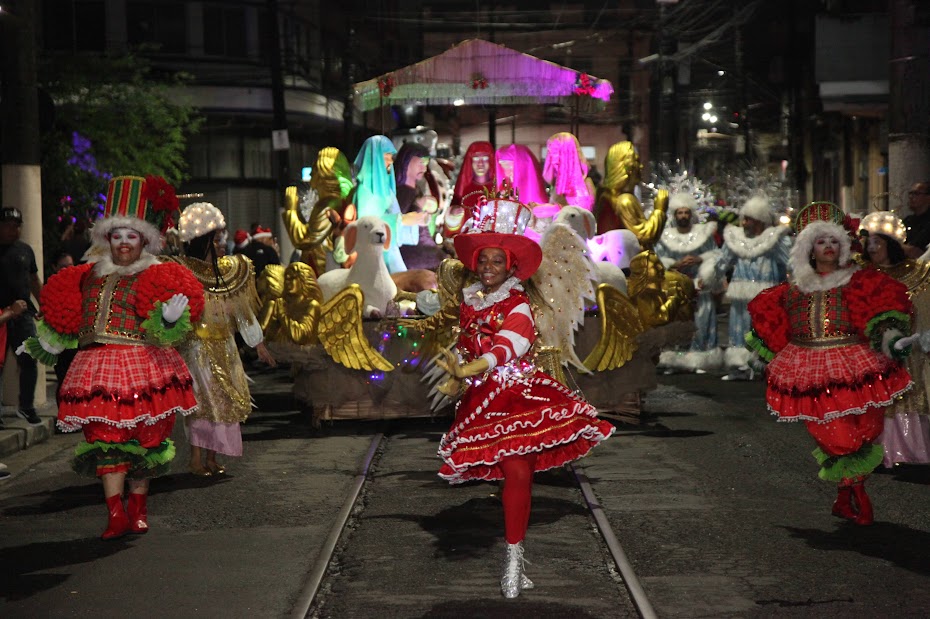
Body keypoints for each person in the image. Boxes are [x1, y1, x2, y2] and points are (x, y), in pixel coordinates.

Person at [434, 198, 614, 599]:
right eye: (483, 261)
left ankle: (513, 561)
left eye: (496, 262)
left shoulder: (518, 304)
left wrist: (470, 367)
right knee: (504, 477)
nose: (487, 268)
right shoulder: (470, 301)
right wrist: (457, 378)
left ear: (511, 267)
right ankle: (514, 552)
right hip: (480, 400)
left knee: (518, 474)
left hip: (519, 397)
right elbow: (467, 346)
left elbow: (510, 344)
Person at [23, 175, 205, 539]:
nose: (123, 243)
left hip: (144, 365)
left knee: (143, 439)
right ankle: (115, 514)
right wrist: (49, 341)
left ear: (144, 240)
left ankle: (137, 507)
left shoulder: (158, 273)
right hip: (96, 367)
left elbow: (172, 333)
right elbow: (70, 318)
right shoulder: (88, 275)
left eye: (131, 236)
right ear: (107, 240)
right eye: (117, 236)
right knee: (105, 440)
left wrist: (168, 319)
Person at [746, 201, 913, 526]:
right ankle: (856, 492)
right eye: (821, 241)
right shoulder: (793, 290)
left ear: (843, 245)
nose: (828, 247)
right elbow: (776, 328)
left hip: (858, 364)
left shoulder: (860, 281)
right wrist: (761, 354)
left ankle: (845, 492)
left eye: (834, 241)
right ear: (809, 248)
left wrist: (890, 337)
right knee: (838, 437)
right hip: (809, 368)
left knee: (867, 429)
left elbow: (877, 312)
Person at [172, 202, 276, 476]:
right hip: (196, 348)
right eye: (216, 239)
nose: (222, 244)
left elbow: (242, 312)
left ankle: (211, 457)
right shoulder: (182, 272)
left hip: (226, 348)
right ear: (202, 241)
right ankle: (195, 459)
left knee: (223, 402)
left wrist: (258, 343)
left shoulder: (229, 272)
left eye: (222, 239)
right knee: (201, 403)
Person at [859, 211, 930, 467]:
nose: (873, 247)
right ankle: (873, 451)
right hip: (870, 349)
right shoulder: (861, 274)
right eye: (870, 243)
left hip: (904, 350)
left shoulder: (912, 272)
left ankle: (903, 451)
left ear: (890, 244)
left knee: (905, 395)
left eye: (878, 242)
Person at [708, 196, 791, 380]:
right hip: (741, 295)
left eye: (748, 219)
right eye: (743, 218)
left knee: (766, 330)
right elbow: (723, 262)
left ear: (759, 221)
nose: (744, 223)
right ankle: (740, 366)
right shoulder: (735, 238)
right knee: (740, 328)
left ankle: (766, 366)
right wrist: (712, 277)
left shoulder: (775, 240)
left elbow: (790, 263)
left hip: (767, 296)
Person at [656, 192, 723, 373]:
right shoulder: (665, 236)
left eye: (686, 212)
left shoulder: (703, 234)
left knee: (701, 321)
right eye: (680, 212)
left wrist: (700, 260)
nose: (683, 216)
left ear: (691, 214)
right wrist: (675, 264)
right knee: (676, 322)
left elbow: (716, 255)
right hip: (675, 286)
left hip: (698, 285)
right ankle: (675, 360)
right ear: (674, 215)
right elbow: (657, 259)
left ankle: (699, 359)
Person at [0, 206, 43, 427]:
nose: (12, 229)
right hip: (1, 315)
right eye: (8, 225)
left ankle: (26, 406)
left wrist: (44, 303)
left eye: (16, 226)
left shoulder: (25, 250)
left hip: (23, 314)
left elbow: (34, 280)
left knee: (29, 360)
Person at [282, 147, 355, 276]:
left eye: (314, 169)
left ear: (324, 173)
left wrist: (290, 210)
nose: (310, 174)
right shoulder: (336, 201)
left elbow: (304, 240)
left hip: (322, 269)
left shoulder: (327, 204)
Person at [394, 142, 445, 270]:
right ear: (407, 161)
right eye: (421, 163)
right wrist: (418, 205)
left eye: (426, 164)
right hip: (412, 250)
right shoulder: (403, 192)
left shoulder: (415, 189)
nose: (424, 168)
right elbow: (400, 220)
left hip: (424, 244)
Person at [542, 132, 595, 211]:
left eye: (555, 152)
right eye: (550, 152)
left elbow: (576, 217)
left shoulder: (584, 188)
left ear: (567, 154)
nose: (552, 159)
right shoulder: (557, 184)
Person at [451, 141, 496, 214]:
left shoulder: (498, 189)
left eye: (485, 159)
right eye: (476, 159)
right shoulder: (463, 191)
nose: (480, 164)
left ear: (490, 161)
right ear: (470, 162)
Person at [903, 181, 930, 259]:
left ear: (928, 197)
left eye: (916, 193)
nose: (911, 197)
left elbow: (916, 251)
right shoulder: (907, 220)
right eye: (910, 193)